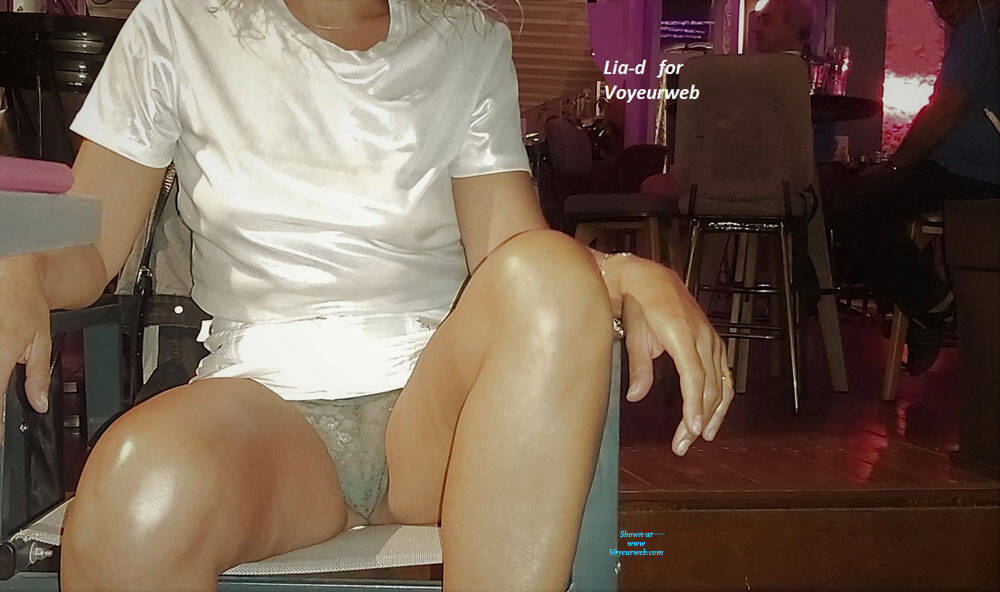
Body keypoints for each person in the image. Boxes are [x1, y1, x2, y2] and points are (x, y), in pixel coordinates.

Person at [0, 0, 735, 589]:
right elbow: (91, 243)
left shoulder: (465, 42)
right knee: (139, 499)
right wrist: (22, 271)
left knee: (550, 273)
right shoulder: (179, 25)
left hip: (435, 419)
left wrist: (619, 271)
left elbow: (514, 256)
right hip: (263, 421)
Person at [826, 0, 999, 375]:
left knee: (851, 206)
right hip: (972, 168)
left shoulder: (981, 25)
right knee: (855, 198)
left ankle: (933, 306)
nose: (936, 7)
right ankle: (920, 307)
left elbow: (946, 108)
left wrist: (895, 164)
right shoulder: (982, 25)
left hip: (972, 170)